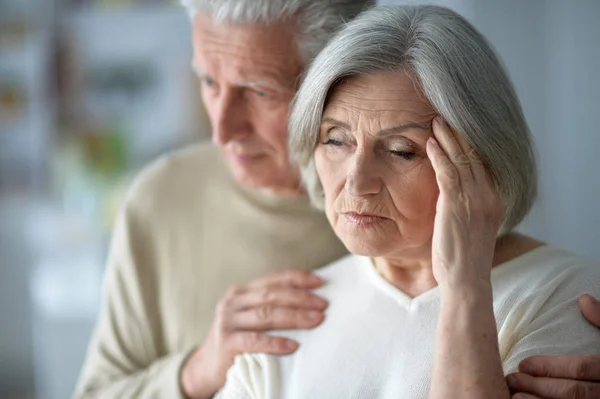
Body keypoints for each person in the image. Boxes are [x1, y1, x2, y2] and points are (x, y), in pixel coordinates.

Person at [215, 5, 600, 399]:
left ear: (484, 162)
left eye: (401, 151)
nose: (358, 182)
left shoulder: (568, 296)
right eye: (335, 140)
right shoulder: (290, 315)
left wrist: (465, 286)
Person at [74, 1, 373, 398]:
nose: (222, 130)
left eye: (258, 91)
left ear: (340, 80)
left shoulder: (410, 210)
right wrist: (199, 370)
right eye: (209, 82)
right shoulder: (160, 198)